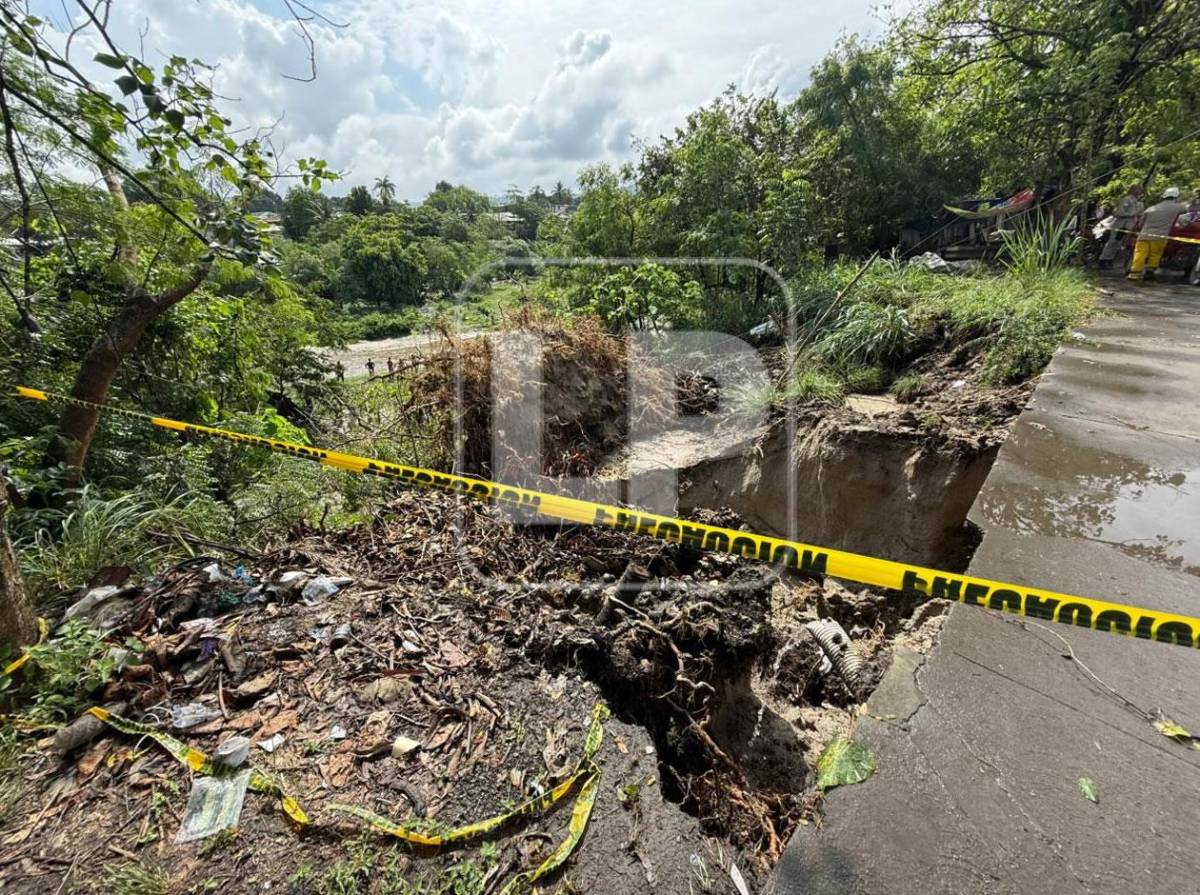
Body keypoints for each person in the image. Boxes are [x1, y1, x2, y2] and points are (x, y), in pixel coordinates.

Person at [1129, 186, 1187, 281]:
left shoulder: (1151, 208)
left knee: (1139, 254)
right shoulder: (1178, 207)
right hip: (1160, 236)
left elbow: (1140, 224)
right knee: (1155, 255)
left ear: (1164, 196)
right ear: (1176, 197)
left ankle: (1134, 274)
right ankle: (1149, 273)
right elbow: (1187, 213)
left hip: (1143, 235)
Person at [1100, 183, 1144, 266]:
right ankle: (1104, 259)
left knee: (1123, 244)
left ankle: (1112, 260)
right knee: (1113, 242)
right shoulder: (1126, 199)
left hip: (1130, 225)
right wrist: (1133, 214)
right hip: (1121, 225)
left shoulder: (1138, 202)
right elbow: (1119, 212)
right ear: (1133, 190)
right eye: (1138, 189)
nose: (1140, 191)